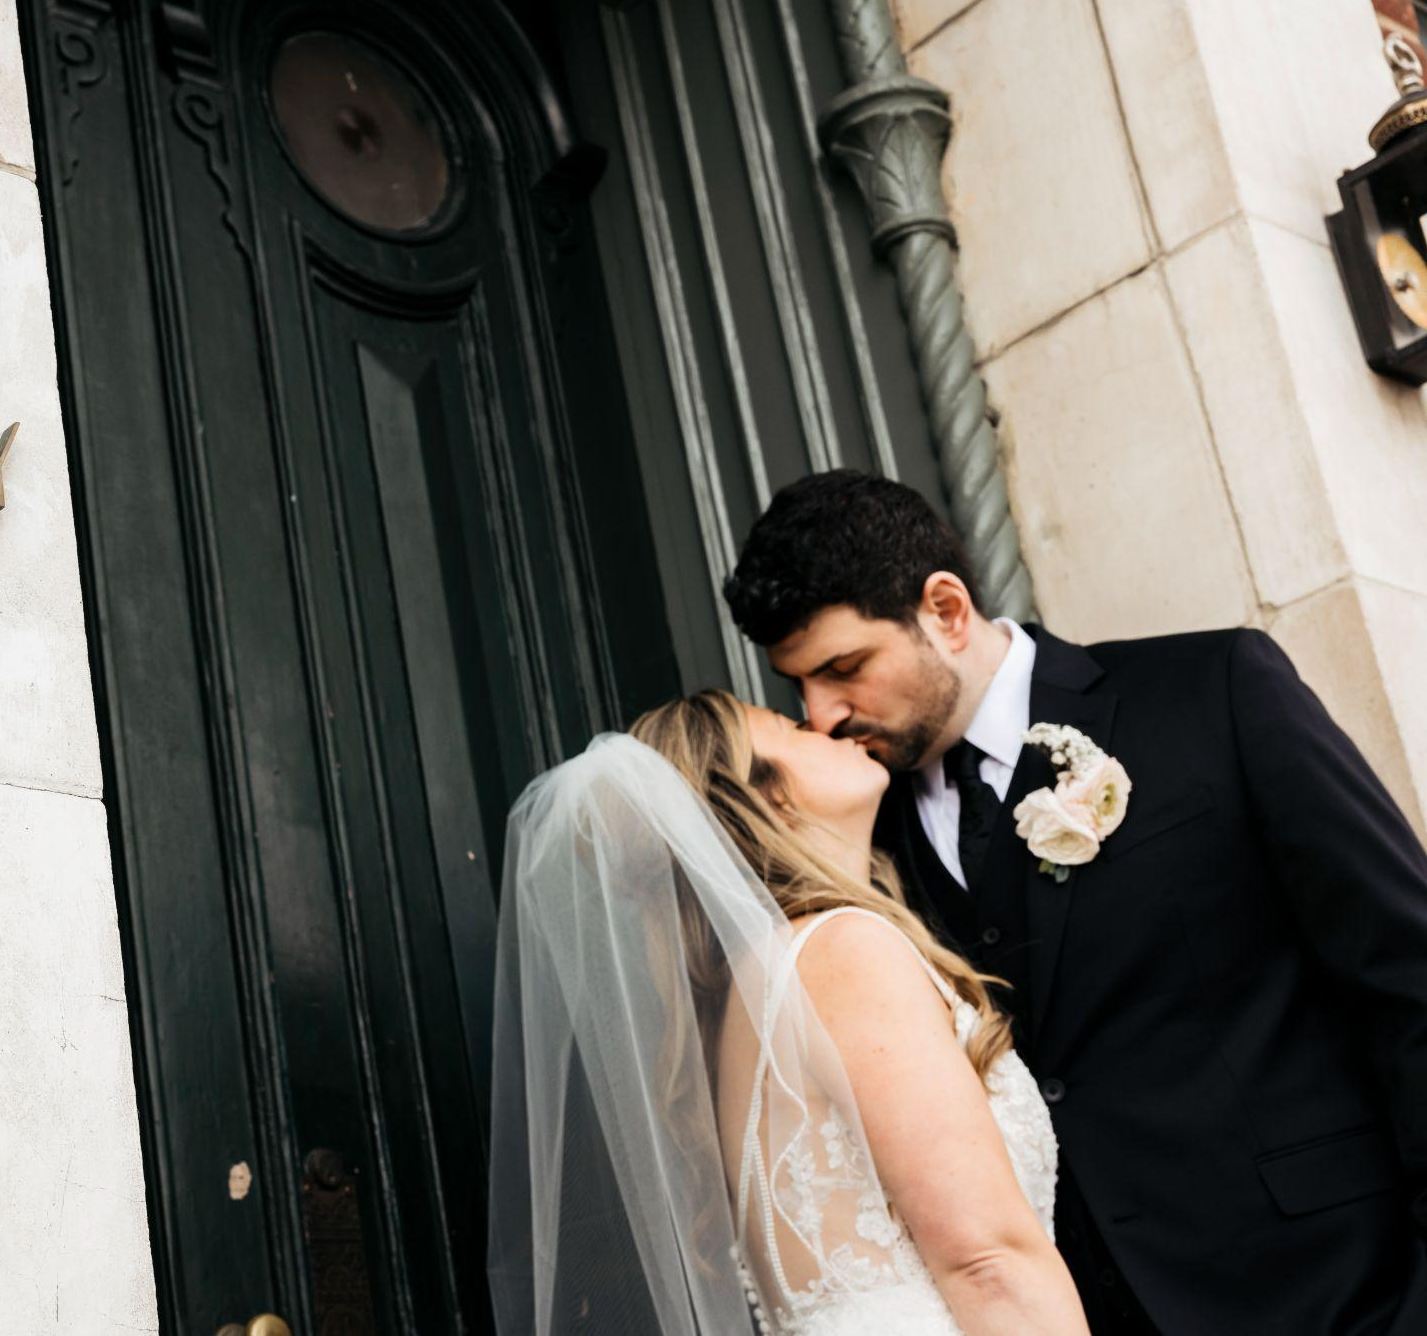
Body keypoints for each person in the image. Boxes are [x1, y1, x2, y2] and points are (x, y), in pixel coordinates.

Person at [724, 468, 1427, 1334]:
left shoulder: (1210, 692)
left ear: (945, 609)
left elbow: (1408, 978)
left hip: (1339, 1293)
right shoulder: (859, 836)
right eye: (799, 688)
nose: (823, 713)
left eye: (843, 668)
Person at [485, 691, 1088, 1334]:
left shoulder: (739, 1003)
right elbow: (988, 1261)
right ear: (763, 795)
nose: (830, 724)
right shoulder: (843, 951)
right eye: (795, 727)